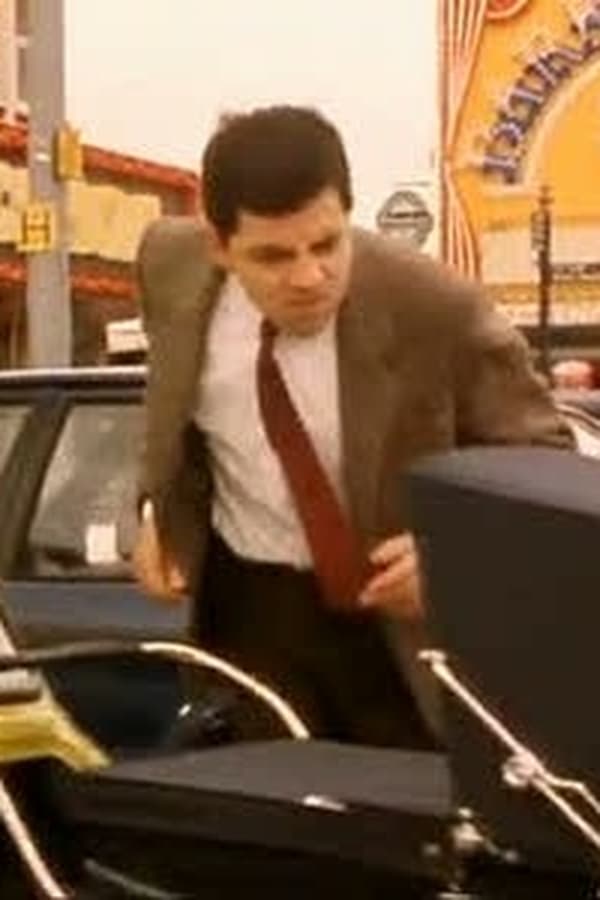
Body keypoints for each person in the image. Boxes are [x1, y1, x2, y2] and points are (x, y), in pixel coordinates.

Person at [132, 105, 573, 749]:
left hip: (398, 642)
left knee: (399, 808)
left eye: (327, 244)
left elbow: (546, 461)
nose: (309, 276)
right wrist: (156, 508)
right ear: (219, 247)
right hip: (251, 615)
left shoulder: (435, 307)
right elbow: (173, 404)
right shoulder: (168, 266)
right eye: (273, 256)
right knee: (268, 804)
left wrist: (456, 556)